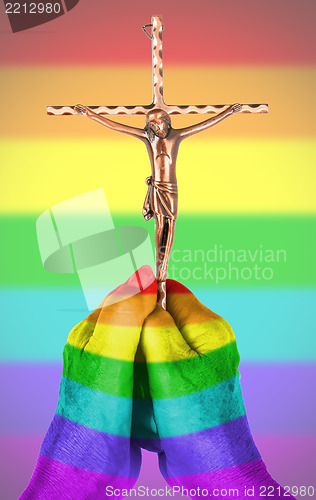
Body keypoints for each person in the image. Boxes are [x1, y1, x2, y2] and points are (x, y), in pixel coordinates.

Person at [74, 103, 242, 307]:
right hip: (157, 189)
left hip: (170, 190)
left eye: (159, 121)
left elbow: (203, 125)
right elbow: (117, 126)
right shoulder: (148, 138)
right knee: (159, 228)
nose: (156, 127)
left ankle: (162, 275)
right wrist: (91, 115)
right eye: (151, 124)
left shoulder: (176, 136)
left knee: (170, 230)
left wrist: (227, 113)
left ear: (167, 121)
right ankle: (159, 281)